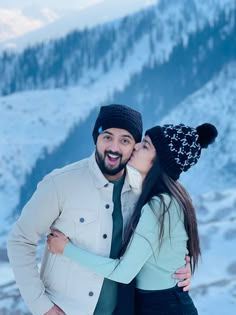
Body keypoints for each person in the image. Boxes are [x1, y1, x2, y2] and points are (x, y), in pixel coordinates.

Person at [7, 104, 191, 315]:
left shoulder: (142, 192)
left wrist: (180, 271)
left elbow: (159, 244)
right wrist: (41, 306)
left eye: (125, 140)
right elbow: (20, 241)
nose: (114, 147)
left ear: (134, 147)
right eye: (107, 137)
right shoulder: (60, 183)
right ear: (96, 138)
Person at [47, 122, 218, 315]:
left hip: (165, 308)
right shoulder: (170, 198)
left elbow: (123, 272)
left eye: (145, 145)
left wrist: (65, 249)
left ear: (160, 161)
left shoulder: (159, 206)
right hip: (163, 304)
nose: (135, 146)